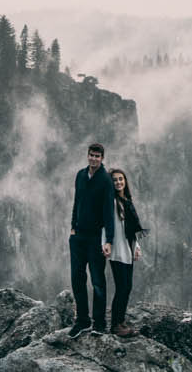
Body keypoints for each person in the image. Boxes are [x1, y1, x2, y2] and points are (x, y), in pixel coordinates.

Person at [68, 141, 116, 333]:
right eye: (91, 155)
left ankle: (99, 322)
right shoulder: (80, 175)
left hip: (96, 237)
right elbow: (76, 201)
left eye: (97, 156)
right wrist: (73, 227)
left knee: (97, 280)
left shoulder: (105, 180)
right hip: (78, 236)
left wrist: (109, 240)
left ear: (102, 158)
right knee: (77, 278)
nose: (94, 159)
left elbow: (108, 212)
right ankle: (82, 320)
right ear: (87, 155)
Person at [107, 167, 146, 336]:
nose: (118, 182)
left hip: (128, 248)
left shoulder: (127, 201)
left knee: (127, 287)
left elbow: (131, 229)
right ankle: (116, 325)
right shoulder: (112, 202)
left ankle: (120, 321)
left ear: (125, 181)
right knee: (122, 287)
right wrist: (106, 243)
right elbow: (106, 225)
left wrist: (137, 246)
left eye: (121, 179)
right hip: (117, 249)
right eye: (115, 180)